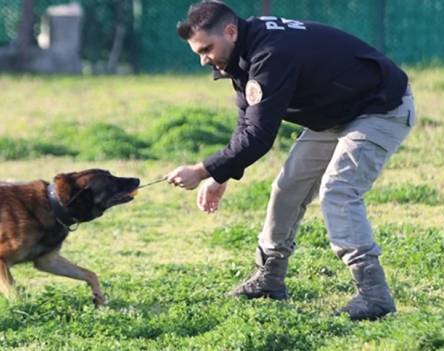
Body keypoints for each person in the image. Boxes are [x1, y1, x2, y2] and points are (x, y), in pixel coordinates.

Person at [166, 0, 415, 321]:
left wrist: (201, 171)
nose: (203, 60)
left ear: (229, 31)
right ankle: (269, 279)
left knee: (339, 189)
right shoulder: (242, 51)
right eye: (198, 52)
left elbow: (259, 136)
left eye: (206, 49)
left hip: (381, 107)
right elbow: (247, 122)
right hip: (337, 113)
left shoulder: (269, 52)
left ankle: (374, 295)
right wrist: (221, 173)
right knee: (287, 187)